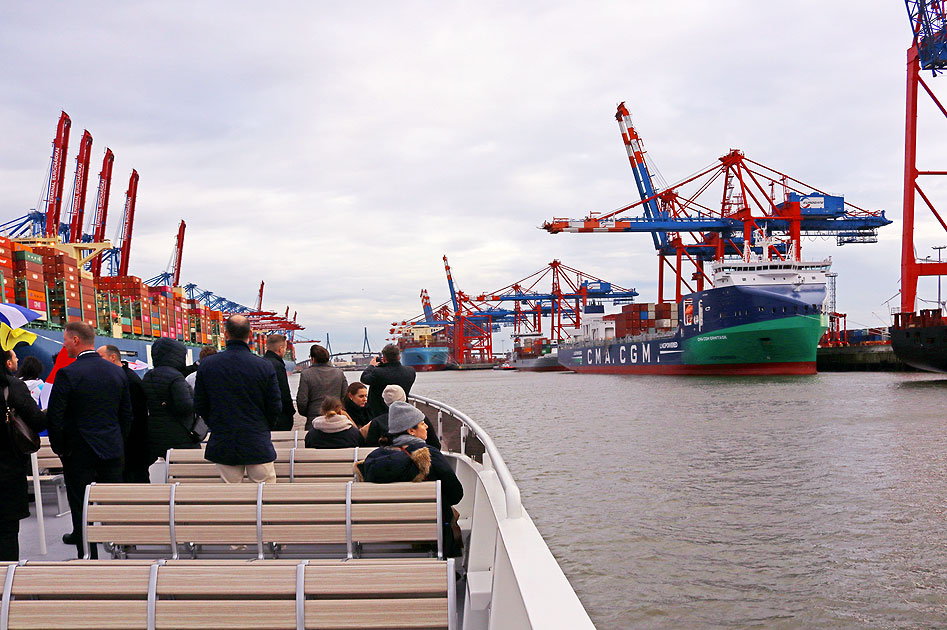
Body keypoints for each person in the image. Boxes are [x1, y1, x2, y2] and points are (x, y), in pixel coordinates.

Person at [47, 322, 132, 558]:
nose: (64, 344)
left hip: (78, 452)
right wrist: (118, 441)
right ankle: (119, 552)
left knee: (80, 506)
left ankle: (88, 556)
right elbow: (127, 415)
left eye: (65, 340)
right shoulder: (117, 372)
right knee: (113, 503)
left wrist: (60, 449)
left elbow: (55, 416)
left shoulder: (68, 373)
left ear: (75, 340)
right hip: (112, 449)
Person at [355, 401, 463, 556]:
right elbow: (456, 494)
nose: (427, 426)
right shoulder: (429, 455)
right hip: (431, 538)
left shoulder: (374, 459)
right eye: (422, 423)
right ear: (411, 430)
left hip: (382, 537)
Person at [194, 315, 281, 484]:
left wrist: (216, 424)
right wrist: (263, 427)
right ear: (250, 335)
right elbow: (275, 405)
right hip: (257, 439)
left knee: (229, 493)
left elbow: (200, 404)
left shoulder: (208, 365)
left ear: (226, 334)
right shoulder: (264, 366)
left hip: (224, 439)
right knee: (265, 492)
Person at [0, 349, 46, 560]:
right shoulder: (13, 387)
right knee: (7, 531)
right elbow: (37, 421)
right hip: (7, 470)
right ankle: (7, 577)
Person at [98, 345, 153, 483]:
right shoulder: (123, 377)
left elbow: (133, 415)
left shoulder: (128, 380)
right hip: (129, 445)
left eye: (101, 357)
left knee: (134, 482)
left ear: (113, 357)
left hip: (132, 446)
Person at [139, 338, 197, 464]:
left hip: (155, 433)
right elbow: (185, 406)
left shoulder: (148, 376)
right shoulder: (176, 377)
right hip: (179, 434)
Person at [362, 384, 440, 449]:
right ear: (404, 397)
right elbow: (435, 444)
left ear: (385, 401)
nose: (425, 426)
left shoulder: (377, 422)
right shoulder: (419, 418)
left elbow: (370, 447)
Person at [296, 345, 346, 431]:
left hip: (314, 419)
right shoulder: (339, 373)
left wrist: (308, 413)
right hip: (336, 418)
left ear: (312, 359)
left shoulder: (306, 374)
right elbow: (344, 396)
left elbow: (302, 400)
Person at [360, 343, 416, 418]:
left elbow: (364, 379)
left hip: (379, 414)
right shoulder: (410, 371)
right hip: (401, 412)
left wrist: (371, 366)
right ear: (399, 357)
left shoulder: (378, 372)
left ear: (384, 358)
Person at [263, 334, 296, 431]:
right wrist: (290, 412)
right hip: (279, 416)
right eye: (285, 349)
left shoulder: (259, 363)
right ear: (281, 349)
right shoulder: (278, 365)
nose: (285, 351)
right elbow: (284, 392)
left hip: (263, 416)